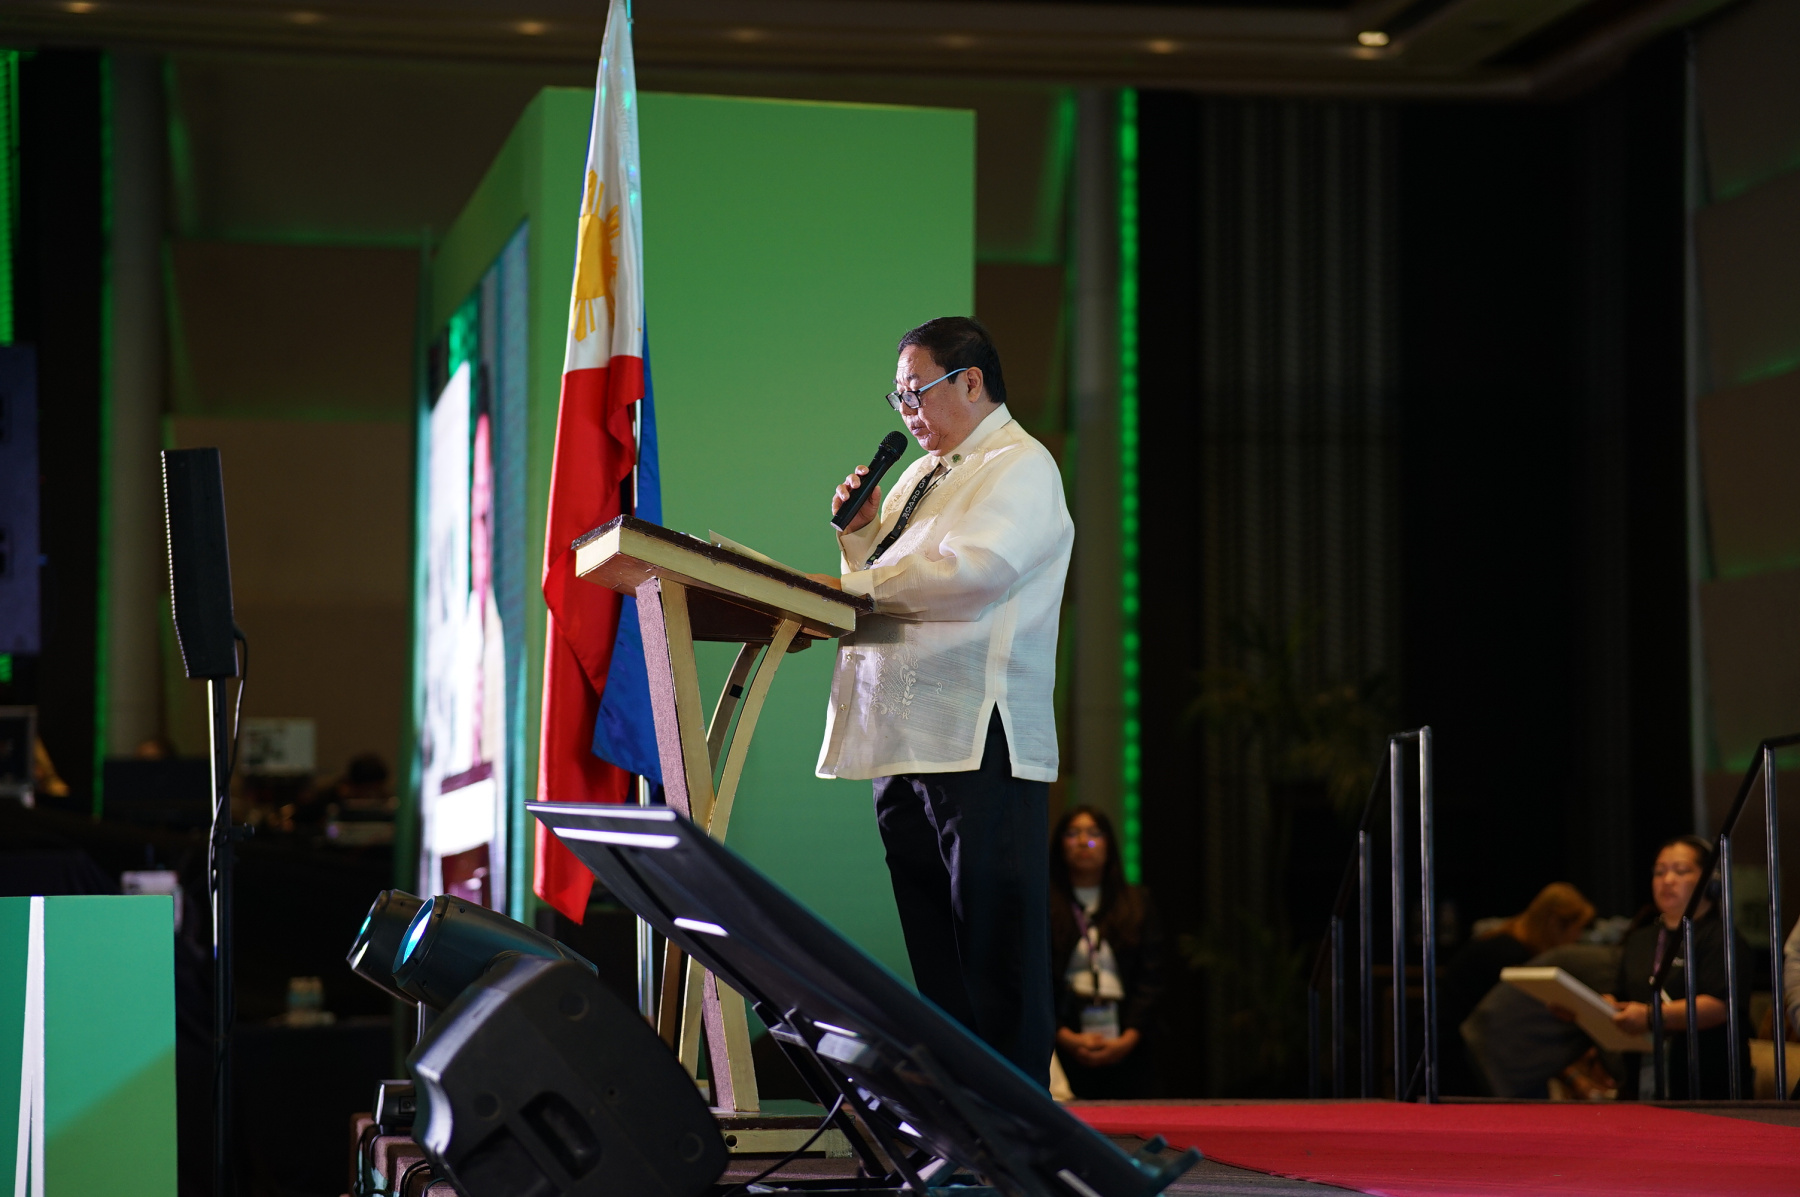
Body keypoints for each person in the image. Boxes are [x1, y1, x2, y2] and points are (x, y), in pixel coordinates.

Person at [809, 317, 1074, 1085]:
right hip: (905, 734)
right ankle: (958, 1112)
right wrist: (862, 537)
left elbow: (973, 575)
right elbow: (887, 578)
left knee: (994, 951)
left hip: (976, 735)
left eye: (914, 392)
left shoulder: (1020, 466)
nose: (906, 411)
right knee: (937, 952)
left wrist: (858, 581)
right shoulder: (922, 476)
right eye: (897, 398)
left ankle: (1016, 1122)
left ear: (971, 381)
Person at [1607, 834, 1750, 1099]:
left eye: (1681, 871)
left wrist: (1651, 1017)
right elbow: (1622, 995)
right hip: (1639, 1084)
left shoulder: (1722, 937)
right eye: (1659, 872)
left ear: (1710, 881)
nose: (1667, 880)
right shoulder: (1639, 938)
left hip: (1705, 1084)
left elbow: (1720, 1006)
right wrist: (1592, 1009)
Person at [1048, 805, 1164, 1098]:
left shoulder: (1136, 901)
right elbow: (1034, 979)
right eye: (1072, 833)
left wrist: (1128, 1038)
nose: (1083, 842)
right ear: (1059, 844)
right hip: (1063, 1033)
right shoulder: (1045, 903)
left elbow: (1151, 977)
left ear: (1109, 843)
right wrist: (1063, 1036)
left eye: (1094, 833)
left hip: (1128, 1034)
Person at [1437, 882, 1595, 1094]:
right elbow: (1521, 1034)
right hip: (1456, 1059)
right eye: (1579, 928)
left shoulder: (1504, 941)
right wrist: (1575, 1079)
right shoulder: (1513, 959)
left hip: (1451, 1051)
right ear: (1554, 923)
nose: (1578, 939)